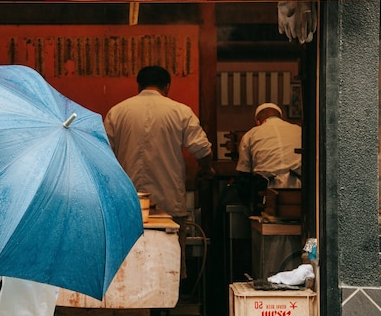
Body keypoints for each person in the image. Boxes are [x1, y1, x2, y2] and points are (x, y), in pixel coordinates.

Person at [103, 65, 213, 278]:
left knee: (131, 268)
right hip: (169, 202)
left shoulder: (117, 112)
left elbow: (104, 152)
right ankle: (167, 299)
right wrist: (206, 170)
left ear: (139, 85)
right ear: (167, 86)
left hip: (129, 204)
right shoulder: (180, 111)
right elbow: (202, 149)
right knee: (169, 268)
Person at [236, 102, 303, 189]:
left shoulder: (251, 134)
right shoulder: (299, 130)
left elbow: (244, 170)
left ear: (257, 121)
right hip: (300, 187)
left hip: (265, 188)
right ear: (280, 117)